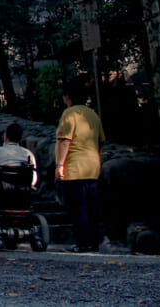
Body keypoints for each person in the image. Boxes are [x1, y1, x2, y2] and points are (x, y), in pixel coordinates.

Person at [55, 82, 105, 253]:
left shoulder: (70, 113)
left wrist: (60, 164)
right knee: (92, 208)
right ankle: (94, 242)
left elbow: (65, 140)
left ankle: (82, 243)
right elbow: (100, 142)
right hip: (92, 168)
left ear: (68, 98)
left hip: (74, 167)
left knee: (78, 208)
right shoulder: (93, 115)